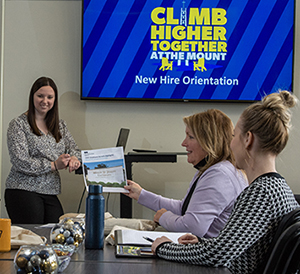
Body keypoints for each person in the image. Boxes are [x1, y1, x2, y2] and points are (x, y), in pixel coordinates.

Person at [151, 90, 300, 274]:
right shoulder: (278, 188)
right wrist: (202, 243)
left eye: (234, 136)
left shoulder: (260, 193)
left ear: (248, 139)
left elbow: (216, 256)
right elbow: (234, 247)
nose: (230, 144)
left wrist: (163, 247)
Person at [124, 109, 247, 238]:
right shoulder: (212, 170)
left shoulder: (218, 176)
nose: (184, 143)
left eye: (190, 137)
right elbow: (185, 208)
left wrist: (164, 217)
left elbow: (192, 228)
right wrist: (140, 194)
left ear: (209, 142)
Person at [4, 76, 81, 224]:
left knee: (57, 235)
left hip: (50, 191)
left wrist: (74, 158)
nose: (45, 101)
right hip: (23, 189)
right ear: (32, 96)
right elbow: (20, 161)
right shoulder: (18, 125)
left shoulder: (59, 125)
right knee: (33, 239)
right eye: (40, 96)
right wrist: (53, 165)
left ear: (54, 100)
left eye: (50, 97)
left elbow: (74, 149)